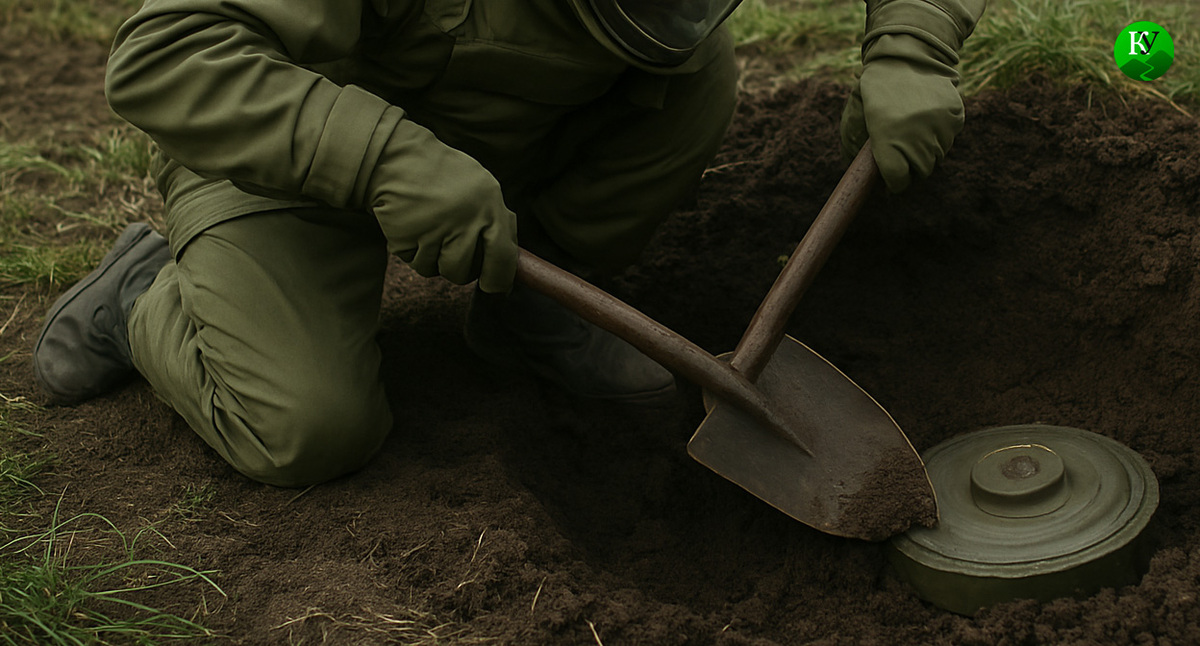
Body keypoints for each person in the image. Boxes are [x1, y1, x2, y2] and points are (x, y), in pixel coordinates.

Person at [33, 0, 986, 487]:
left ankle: (532, 307)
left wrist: (912, 38)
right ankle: (146, 294)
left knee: (693, 79)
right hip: (282, 143)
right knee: (307, 431)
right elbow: (163, 54)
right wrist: (388, 162)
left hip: (516, 124)